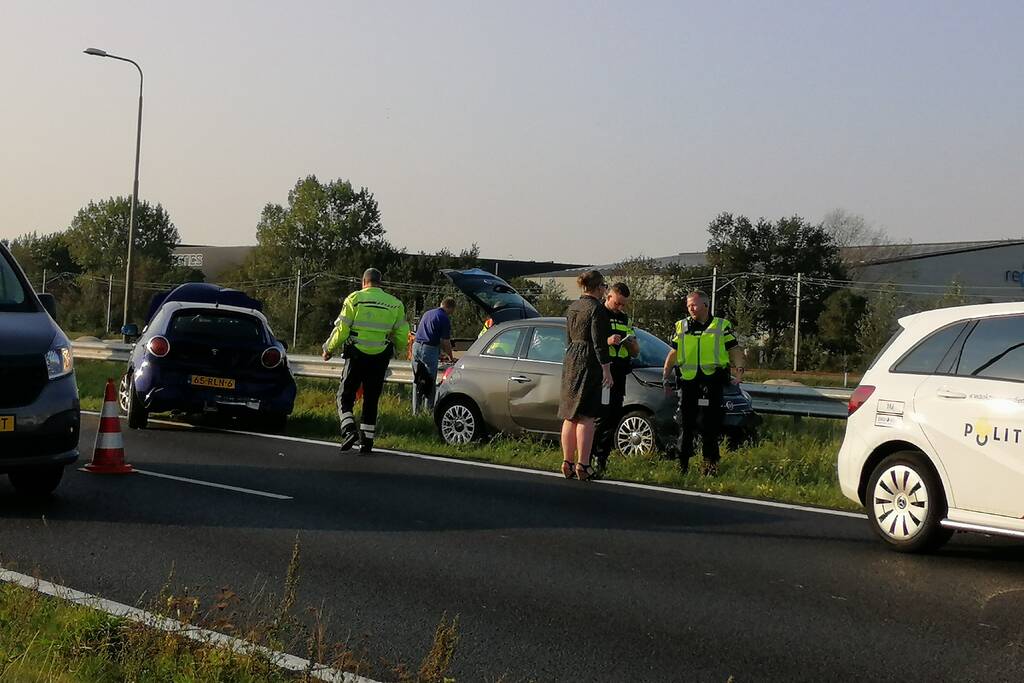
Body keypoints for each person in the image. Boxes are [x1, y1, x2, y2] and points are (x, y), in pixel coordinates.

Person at [322, 268, 410, 454]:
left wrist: (328, 348)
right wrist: (398, 348)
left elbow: (342, 329)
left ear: (364, 282)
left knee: (345, 395)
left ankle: (349, 430)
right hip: (380, 357)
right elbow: (402, 333)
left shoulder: (354, 299)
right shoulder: (395, 304)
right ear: (380, 282)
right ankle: (367, 441)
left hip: (356, 355)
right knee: (371, 398)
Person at [662, 290, 745, 476]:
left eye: (694, 304)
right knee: (686, 425)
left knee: (711, 426)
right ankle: (682, 466)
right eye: (688, 305)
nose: (690, 308)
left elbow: (734, 350)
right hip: (688, 381)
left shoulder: (720, 326)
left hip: (712, 381)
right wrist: (665, 375)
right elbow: (673, 353)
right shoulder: (681, 326)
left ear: (705, 305)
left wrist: (739, 371)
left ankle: (710, 466)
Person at [558, 270, 614, 481]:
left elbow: (568, 338)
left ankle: (567, 462)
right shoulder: (597, 309)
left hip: (571, 358)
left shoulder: (573, 306)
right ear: (599, 287)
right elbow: (599, 343)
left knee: (570, 415)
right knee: (587, 415)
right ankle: (583, 463)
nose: (605, 290)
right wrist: (606, 369)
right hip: (589, 361)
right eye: (604, 286)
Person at [592, 282, 640, 472]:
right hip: (603, 372)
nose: (620, 307)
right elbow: (589, 341)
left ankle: (602, 457)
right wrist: (608, 341)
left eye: (623, 304)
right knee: (601, 416)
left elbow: (635, 351)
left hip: (620, 373)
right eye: (617, 303)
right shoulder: (598, 313)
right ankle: (590, 455)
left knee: (613, 416)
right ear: (608, 296)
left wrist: (631, 344)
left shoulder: (625, 319)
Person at [412, 297, 456, 409]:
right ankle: (428, 409)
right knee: (430, 381)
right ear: (450, 308)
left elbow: (430, 333)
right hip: (429, 349)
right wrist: (450, 357)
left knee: (418, 380)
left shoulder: (428, 313)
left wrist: (439, 352)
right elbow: (445, 341)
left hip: (416, 346)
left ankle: (415, 410)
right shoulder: (444, 318)